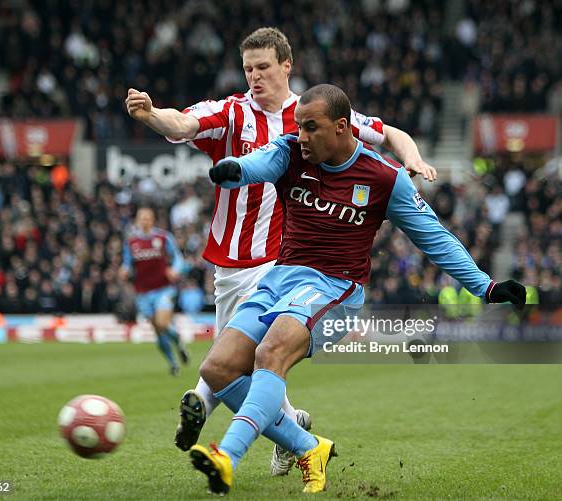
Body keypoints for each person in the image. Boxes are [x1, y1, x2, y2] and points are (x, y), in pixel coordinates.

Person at [125, 27, 438, 473]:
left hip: (285, 259)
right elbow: (184, 123)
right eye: (248, 68)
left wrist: (412, 159)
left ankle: (219, 419)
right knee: (231, 364)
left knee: (255, 358)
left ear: (286, 66)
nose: (255, 76)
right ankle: (293, 428)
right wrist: (151, 113)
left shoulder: (314, 115)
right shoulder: (232, 113)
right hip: (231, 262)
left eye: (263, 67)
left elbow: (389, 134)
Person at [189, 84, 526, 495]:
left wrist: (485, 286)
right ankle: (307, 446)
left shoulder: (384, 177)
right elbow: (256, 164)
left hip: (336, 292)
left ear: (342, 126)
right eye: (298, 127)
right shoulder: (290, 151)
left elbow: (434, 237)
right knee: (217, 370)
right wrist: (234, 170)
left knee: (270, 353)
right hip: (280, 280)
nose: (302, 136)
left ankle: (226, 456)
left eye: (311, 128)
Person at [119, 207, 189, 376]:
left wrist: (175, 270)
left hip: (163, 288)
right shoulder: (131, 242)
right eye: (142, 218)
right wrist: (124, 270)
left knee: (163, 323)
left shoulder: (163, 238)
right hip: (143, 292)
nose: (145, 221)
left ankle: (178, 341)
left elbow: (179, 258)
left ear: (152, 220)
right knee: (157, 330)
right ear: (137, 221)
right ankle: (173, 363)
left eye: (148, 218)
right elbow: (127, 263)